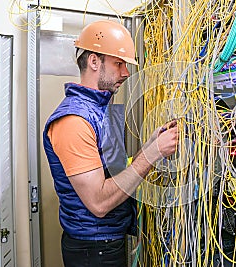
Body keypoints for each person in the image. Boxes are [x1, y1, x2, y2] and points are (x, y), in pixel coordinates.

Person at [43, 20, 179, 267]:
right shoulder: (74, 120)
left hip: (107, 241)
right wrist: (151, 155)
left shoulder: (99, 109)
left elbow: (113, 171)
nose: (126, 72)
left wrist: (149, 147)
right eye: (119, 63)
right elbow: (99, 202)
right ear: (94, 62)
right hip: (93, 251)